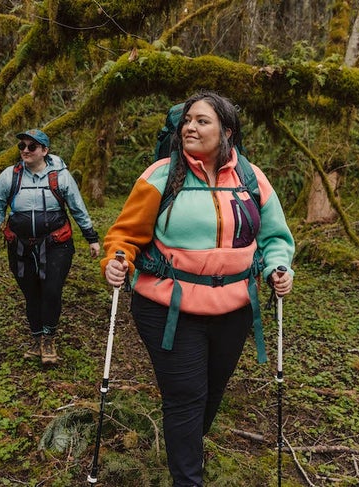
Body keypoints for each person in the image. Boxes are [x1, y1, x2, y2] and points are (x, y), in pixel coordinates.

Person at [101, 92, 294, 486]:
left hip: (235, 309)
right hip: (170, 307)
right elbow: (125, 235)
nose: (190, 127)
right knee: (187, 395)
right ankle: (188, 478)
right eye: (187, 120)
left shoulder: (251, 178)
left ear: (227, 131)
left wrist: (278, 266)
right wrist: (117, 260)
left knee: (209, 395)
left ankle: (183, 442)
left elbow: (275, 236)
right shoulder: (160, 175)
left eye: (202, 121)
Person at [0, 129, 101, 366]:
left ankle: (49, 338)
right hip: (20, 245)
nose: (25, 150)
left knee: (52, 290)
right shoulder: (9, 176)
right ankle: (37, 339)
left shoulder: (61, 177)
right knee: (31, 292)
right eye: (22, 146)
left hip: (56, 243)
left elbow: (77, 207)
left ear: (44, 151)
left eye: (32, 147)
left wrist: (91, 237)